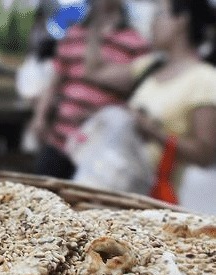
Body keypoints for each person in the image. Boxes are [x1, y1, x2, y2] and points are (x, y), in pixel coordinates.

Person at [84, 0, 216, 200]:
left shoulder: (205, 80)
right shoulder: (150, 66)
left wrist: (153, 131)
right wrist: (97, 20)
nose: (153, 22)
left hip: (148, 199)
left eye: (160, 14)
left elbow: (206, 155)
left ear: (182, 20)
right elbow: (93, 72)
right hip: (112, 183)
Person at [30, 0, 149, 179]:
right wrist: (40, 117)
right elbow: (54, 81)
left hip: (101, 150)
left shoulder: (136, 42)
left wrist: (100, 115)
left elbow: (137, 94)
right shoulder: (74, 33)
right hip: (61, 139)